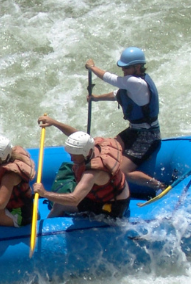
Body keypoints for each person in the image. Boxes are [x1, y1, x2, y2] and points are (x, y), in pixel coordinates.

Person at [85, 48, 163, 189]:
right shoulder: (133, 83)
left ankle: (160, 186)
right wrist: (96, 98)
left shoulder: (136, 83)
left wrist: (92, 67)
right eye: (122, 67)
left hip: (148, 136)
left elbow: (111, 79)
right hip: (134, 131)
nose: (123, 70)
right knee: (105, 150)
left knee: (123, 171)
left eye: (126, 68)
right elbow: (118, 94)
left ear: (138, 67)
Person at [33, 115, 131, 219]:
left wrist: (45, 193)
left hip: (113, 207)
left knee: (59, 205)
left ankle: (47, 230)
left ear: (84, 153)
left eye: (74, 156)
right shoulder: (93, 146)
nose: (71, 159)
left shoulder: (93, 172)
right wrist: (54, 122)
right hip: (118, 194)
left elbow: (75, 199)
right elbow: (77, 135)